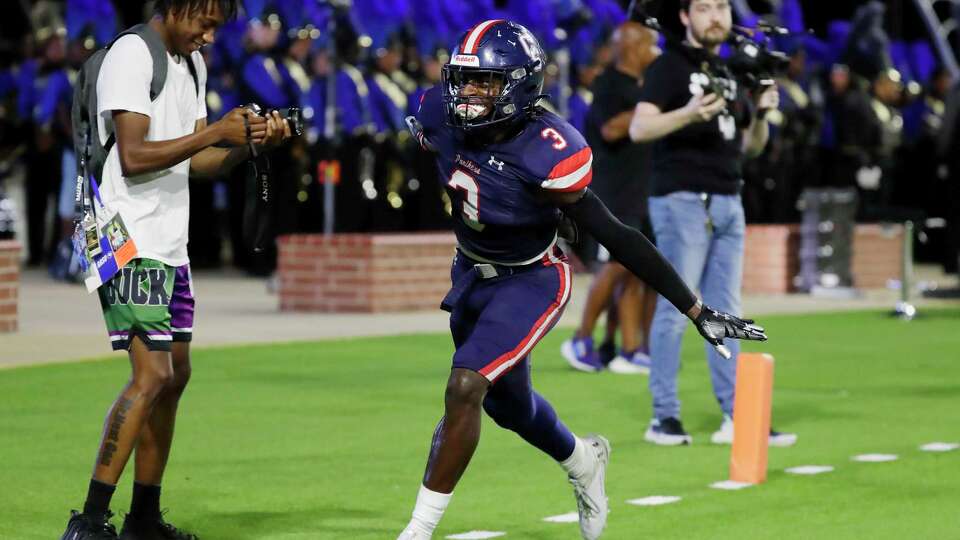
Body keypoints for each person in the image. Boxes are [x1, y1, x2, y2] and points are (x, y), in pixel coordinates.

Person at [399, 19, 767, 540]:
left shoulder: (548, 148)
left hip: (531, 280)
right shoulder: (437, 111)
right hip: (469, 274)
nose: (470, 94)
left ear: (521, 85)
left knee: (465, 386)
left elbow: (617, 236)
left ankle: (417, 530)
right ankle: (583, 460)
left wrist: (696, 309)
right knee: (509, 408)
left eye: (487, 82)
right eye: (465, 79)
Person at [60, 1, 291, 538]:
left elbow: (197, 163)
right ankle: (89, 521)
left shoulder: (192, 64)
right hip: (126, 239)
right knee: (153, 375)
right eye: (203, 22)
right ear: (176, 5)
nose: (209, 36)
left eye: (216, 26)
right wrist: (215, 132)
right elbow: (135, 157)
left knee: (175, 375)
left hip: (169, 242)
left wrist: (245, 145)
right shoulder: (132, 55)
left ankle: (144, 518)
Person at [628, 0, 796, 447]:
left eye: (721, 6)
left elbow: (751, 148)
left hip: (727, 196)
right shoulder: (669, 66)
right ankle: (664, 417)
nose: (716, 16)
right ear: (684, 17)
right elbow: (638, 129)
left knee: (728, 312)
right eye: (704, 8)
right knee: (676, 309)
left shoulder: (727, 70)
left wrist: (760, 113)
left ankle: (738, 415)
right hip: (682, 199)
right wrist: (688, 114)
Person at [561, 20, 661, 375]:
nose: (657, 52)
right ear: (631, 48)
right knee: (616, 266)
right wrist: (653, 106)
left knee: (638, 271)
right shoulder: (608, 84)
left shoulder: (644, 85)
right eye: (651, 45)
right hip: (613, 193)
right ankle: (581, 337)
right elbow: (611, 128)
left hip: (642, 191)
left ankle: (632, 348)